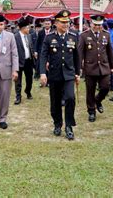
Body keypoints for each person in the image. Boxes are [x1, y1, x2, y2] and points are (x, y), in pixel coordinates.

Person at [40, 10, 80, 140]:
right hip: (55, 74)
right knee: (55, 101)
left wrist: (78, 73)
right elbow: (43, 56)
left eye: (67, 22)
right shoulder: (49, 37)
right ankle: (57, 124)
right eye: (62, 22)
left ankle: (69, 126)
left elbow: (77, 57)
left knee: (70, 98)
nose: (66, 24)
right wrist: (42, 73)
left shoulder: (73, 37)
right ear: (56, 23)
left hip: (69, 74)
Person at [78, 14, 113, 122]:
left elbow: (110, 51)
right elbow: (80, 53)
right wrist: (79, 68)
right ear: (91, 24)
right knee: (90, 90)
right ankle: (91, 111)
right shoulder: (84, 35)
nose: (97, 27)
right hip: (90, 67)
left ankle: (98, 100)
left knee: (105, 87)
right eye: (95, 25)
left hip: (104, 66)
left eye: (99, 25)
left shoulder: (106, 35)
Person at [14, 18, 35, 105]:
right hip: (19, 61)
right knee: (18, 80)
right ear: (22, 28)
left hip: (28, 61)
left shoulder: (29, 36)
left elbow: (30, 46)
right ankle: (18, 96)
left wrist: (33, 53)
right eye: (27, 28)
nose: (29, 29)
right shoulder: (15, 37)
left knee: (29, 78)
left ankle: (28, 91)